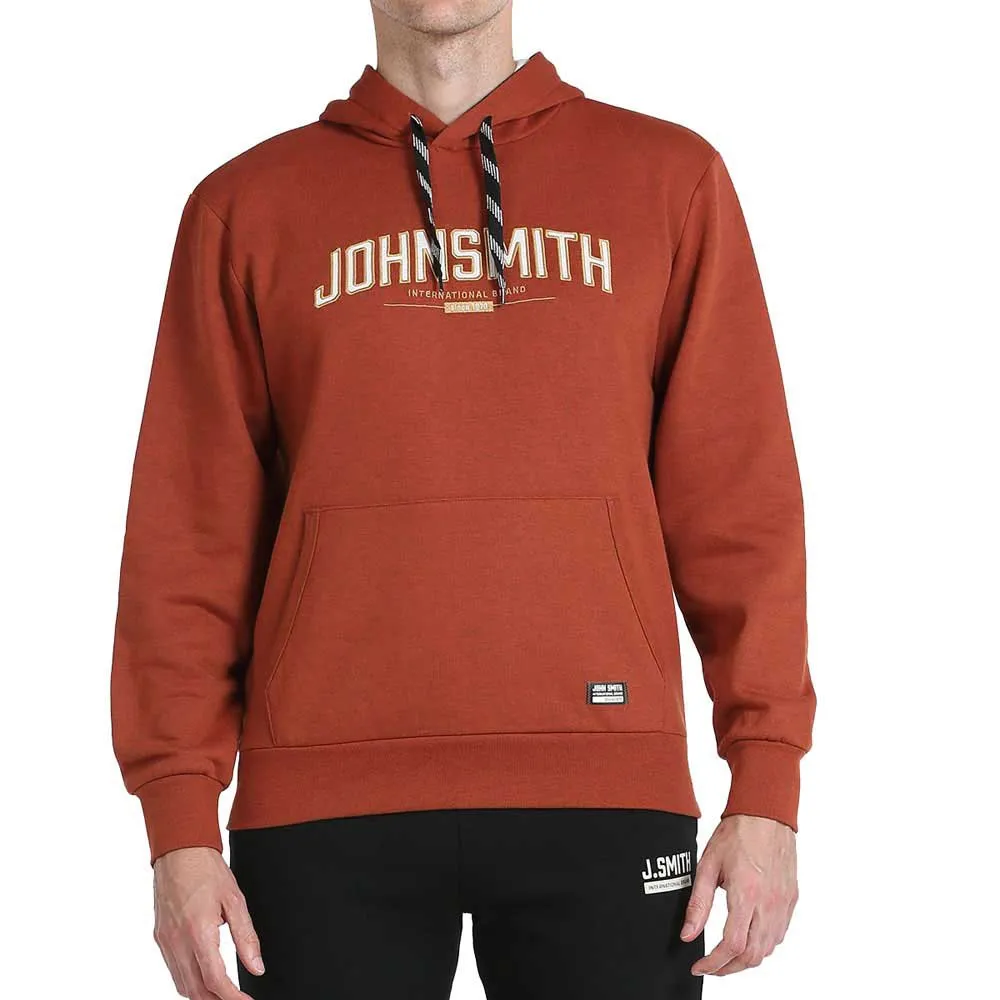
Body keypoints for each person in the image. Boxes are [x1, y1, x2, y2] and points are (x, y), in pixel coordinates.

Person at [110, 2, 816, 997]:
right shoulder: (247, 206)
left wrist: (767, 783)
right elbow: (187, 536)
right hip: (322, 802)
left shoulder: (668, 180)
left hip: (606, 780)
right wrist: (179, 821)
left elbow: (739, 505)